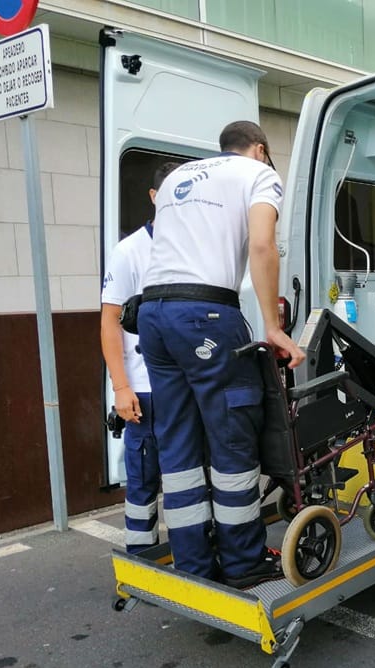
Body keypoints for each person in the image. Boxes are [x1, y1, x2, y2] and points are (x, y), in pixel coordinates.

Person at [138, 121, 305, 588]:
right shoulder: (258, 174)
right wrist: (273, 327)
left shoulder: (177, 178)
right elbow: (262, 245)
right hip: (206, 315)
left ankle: (193, 563)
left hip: (153, 315)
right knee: (232, 436)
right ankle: (243, 562)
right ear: (260, 149)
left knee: (178, 442)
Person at [100, 161, 181, 554]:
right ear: (153, 198)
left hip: (187, 386)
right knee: (145, 479)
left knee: (189, 478)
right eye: (169, 196)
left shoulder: (193, 249)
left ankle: (190, 557)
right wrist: (120, 386)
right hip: (145, 389)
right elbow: (110, 321)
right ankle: (141, 558)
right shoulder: (129, 251)